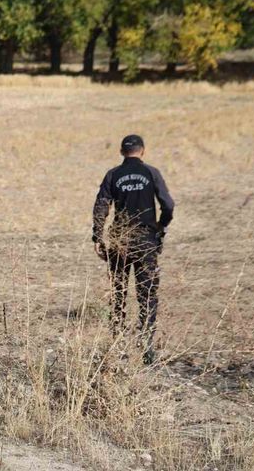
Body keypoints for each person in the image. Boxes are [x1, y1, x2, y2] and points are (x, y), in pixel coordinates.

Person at [92, 134, 175, 364]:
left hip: (120, 243)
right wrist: (160, 226)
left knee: (118, 293)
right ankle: (146, 346)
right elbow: (168, 205)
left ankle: (119, 345)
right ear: (143, 150)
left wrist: (97, 236)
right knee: (147, 294)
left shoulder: (113, 175)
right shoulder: (151, 173)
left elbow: (101, 206)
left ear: (121, 152)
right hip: (146, 242)